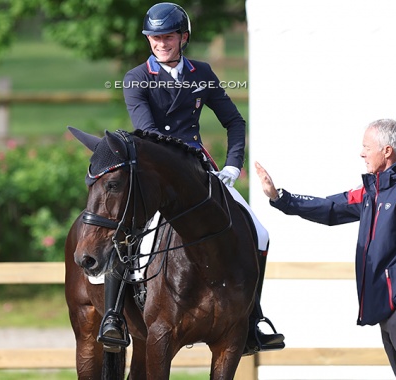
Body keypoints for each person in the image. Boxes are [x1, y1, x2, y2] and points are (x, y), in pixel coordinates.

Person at [98, 2, 284, 355]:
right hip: (158, 173)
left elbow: (235, 121)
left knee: (259, 232)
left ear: (183, 37)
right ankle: (113, 316)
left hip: (202, 171)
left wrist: (232, 166)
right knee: (126, 232)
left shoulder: (202, 73)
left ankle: (253, 318)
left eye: (167, 36)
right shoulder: (137, 77)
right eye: (154, 37)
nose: (160, 43)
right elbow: (149, 134)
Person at [255, 119, 396, 380]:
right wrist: (280, 198)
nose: (361, 153)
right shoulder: (373, 190)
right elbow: (330, 208)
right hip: (390, 313)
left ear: (387, 151)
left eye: (366, 146)